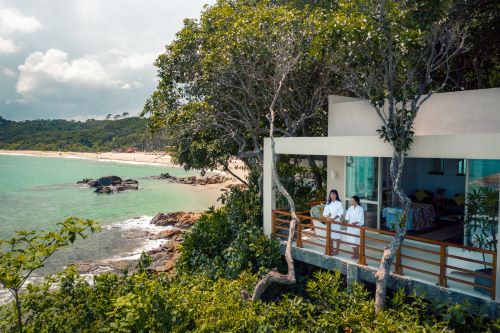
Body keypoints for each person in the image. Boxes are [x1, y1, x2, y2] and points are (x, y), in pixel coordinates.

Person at [322, 189, 344, 255]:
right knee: (330, 236)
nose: (332, 195)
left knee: (337, 236)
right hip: (329, 222)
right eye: (331, 194)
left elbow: (341, 213)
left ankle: (337, 250)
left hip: (336, 222)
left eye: (333, 194)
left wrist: (333, 219)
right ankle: (331, 249)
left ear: (336, 195)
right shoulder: (328, 203)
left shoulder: (339, 203)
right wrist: (328, 216)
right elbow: (324, 213)